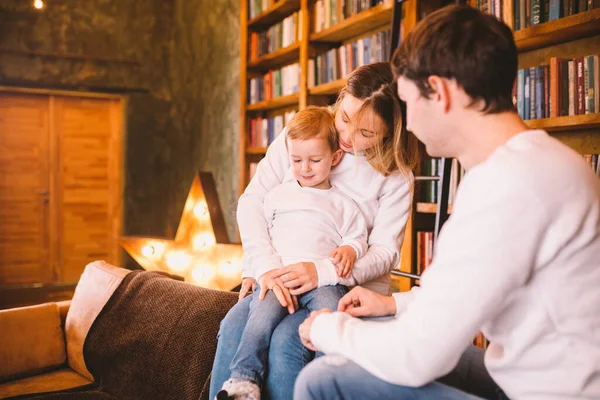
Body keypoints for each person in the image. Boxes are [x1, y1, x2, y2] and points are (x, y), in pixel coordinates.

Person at [295, 5, 600, 400]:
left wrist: (325, 329)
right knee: (377, 334)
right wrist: (390, 305)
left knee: (324, 379)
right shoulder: (542, 161)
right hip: (543, 376)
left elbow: (417, 356)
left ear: (438, 92)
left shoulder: (508, 185)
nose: (411, 127)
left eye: (406, 103)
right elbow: (466, 290)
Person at [209, 62, 419, 400]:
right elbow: (254, 201)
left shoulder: (395, 176)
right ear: (340, 99)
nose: (348, 137)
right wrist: (261, 267)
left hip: (346, 291)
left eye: (367, 134)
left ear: (390, 133)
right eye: (345, 118)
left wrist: (321, 272)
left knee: (285, 342)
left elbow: (384, 252)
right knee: (233, 325)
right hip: (281, 271)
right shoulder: (308, 131)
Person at [216, 107, 369, 399]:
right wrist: (251, 270)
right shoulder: (277, 196)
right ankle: (243, 380)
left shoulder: (343, 204)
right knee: (258, 321)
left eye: (314, 160)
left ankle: (336, 379)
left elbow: (357, 236)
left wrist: (351, 248)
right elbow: (263, 235)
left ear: (334, 158)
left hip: (323, 281)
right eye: (296, 160)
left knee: (334, 315)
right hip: (279, 279)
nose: (305, 168)